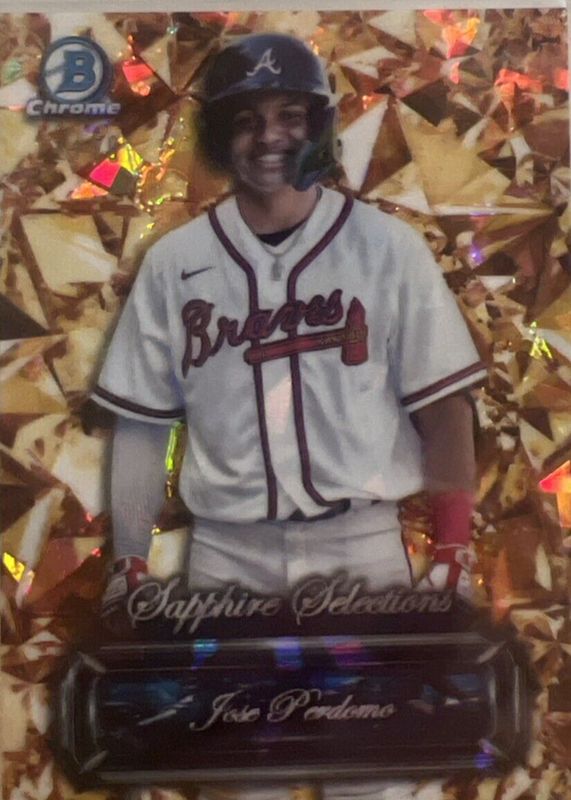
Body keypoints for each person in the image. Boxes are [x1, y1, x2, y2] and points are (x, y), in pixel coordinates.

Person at [93, 34, 486, 795]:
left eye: (289, 116)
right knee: (242, 778)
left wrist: (454, 545)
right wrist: (129, 558)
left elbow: (444, 408)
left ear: (318, 127)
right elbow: (142, 423)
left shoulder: (386, 248)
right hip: (226, 561)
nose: (269, 136)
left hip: (362, 554)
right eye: (245, 120)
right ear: (220, 136)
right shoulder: (173, 264)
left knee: (376, 778)